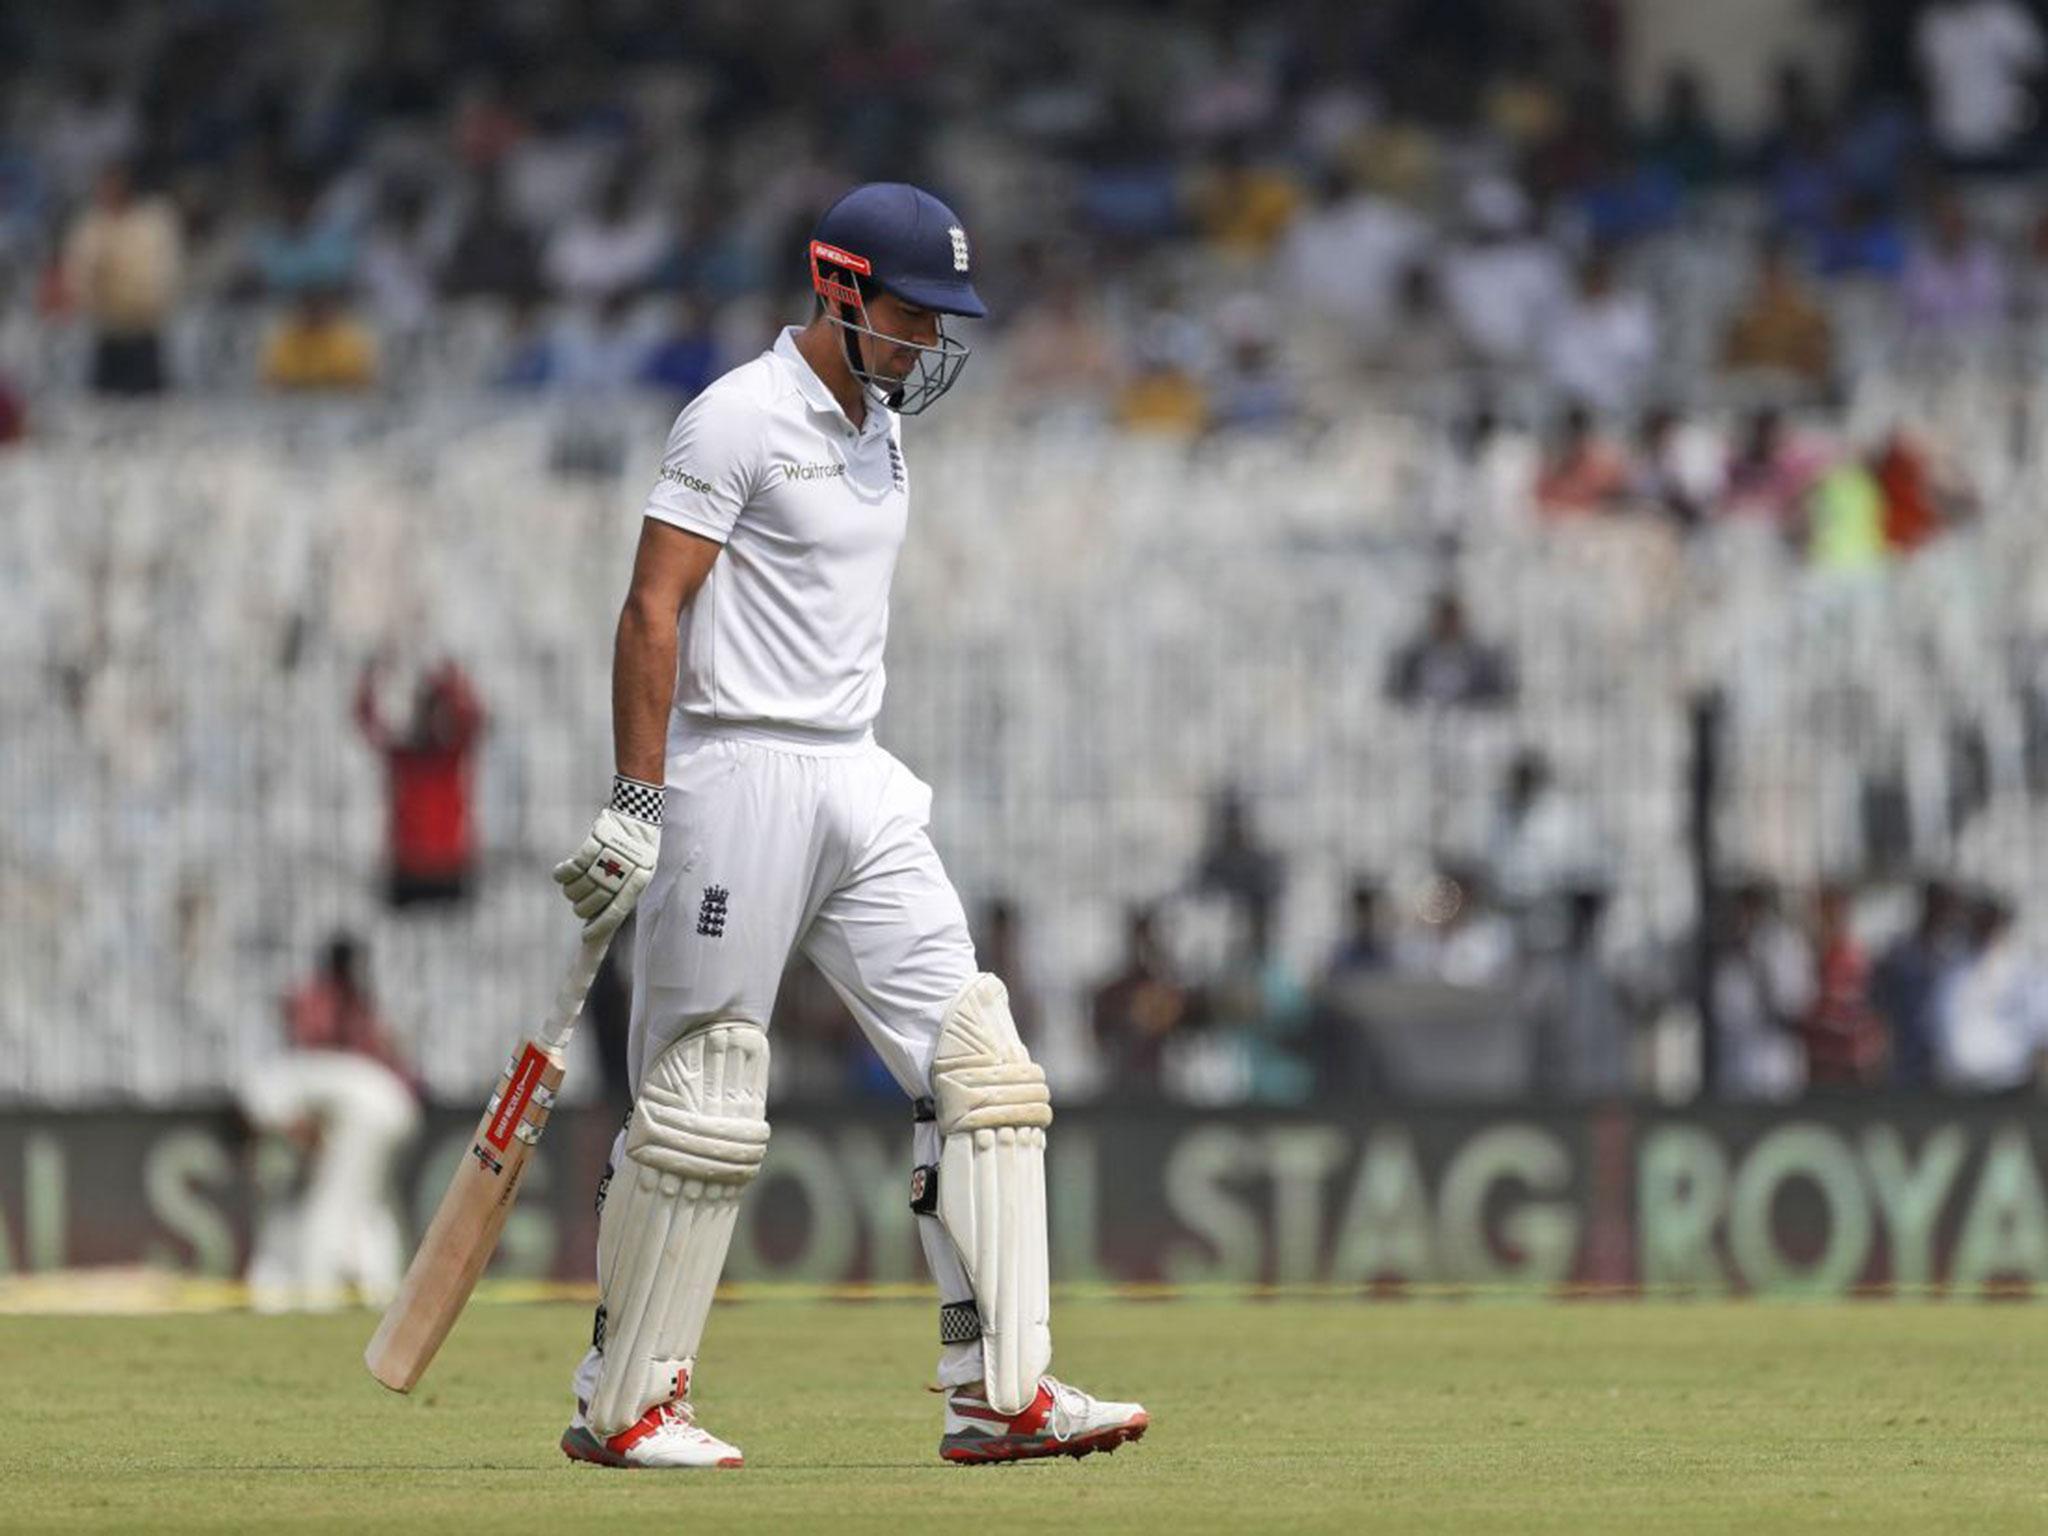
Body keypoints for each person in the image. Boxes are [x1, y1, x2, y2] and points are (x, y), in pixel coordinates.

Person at [546, 183, 1146, 1470]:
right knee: (701, 1092)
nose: (928, 343)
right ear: (839, 288)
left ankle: (1000, 1390)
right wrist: (637, 795)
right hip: (735, 773)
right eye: (911, 314)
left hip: (858, 775)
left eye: (941, 320)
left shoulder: (881, 428)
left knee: (981, 1068)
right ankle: (627, 1397)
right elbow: (653, 608)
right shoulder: (736, 417)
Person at [239, 934, 421, 1312]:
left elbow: (279, 1111)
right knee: (365, 1207)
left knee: (332, 1209)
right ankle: (376, 1294)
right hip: (390, 1108)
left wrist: (309, 1138)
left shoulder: (276, 1076)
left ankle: (319, 1298)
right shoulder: (357, 1006)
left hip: (373, 1112)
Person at [354, 657, 486, 907]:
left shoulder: (448, 755)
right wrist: (373, 675)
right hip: (412, 870)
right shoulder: (407, 757)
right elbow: (367, 721)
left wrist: (450, 680)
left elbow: (473, 719)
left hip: (445, 868)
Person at [62, 160, 182, 395]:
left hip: (143, 337)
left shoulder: (152, 223)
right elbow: (76, 280)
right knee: (103, 412)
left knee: (151, 414)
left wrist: (116, 280)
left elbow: (160, 281)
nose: (106, 192)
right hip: (106, 338)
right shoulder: (90, 225)